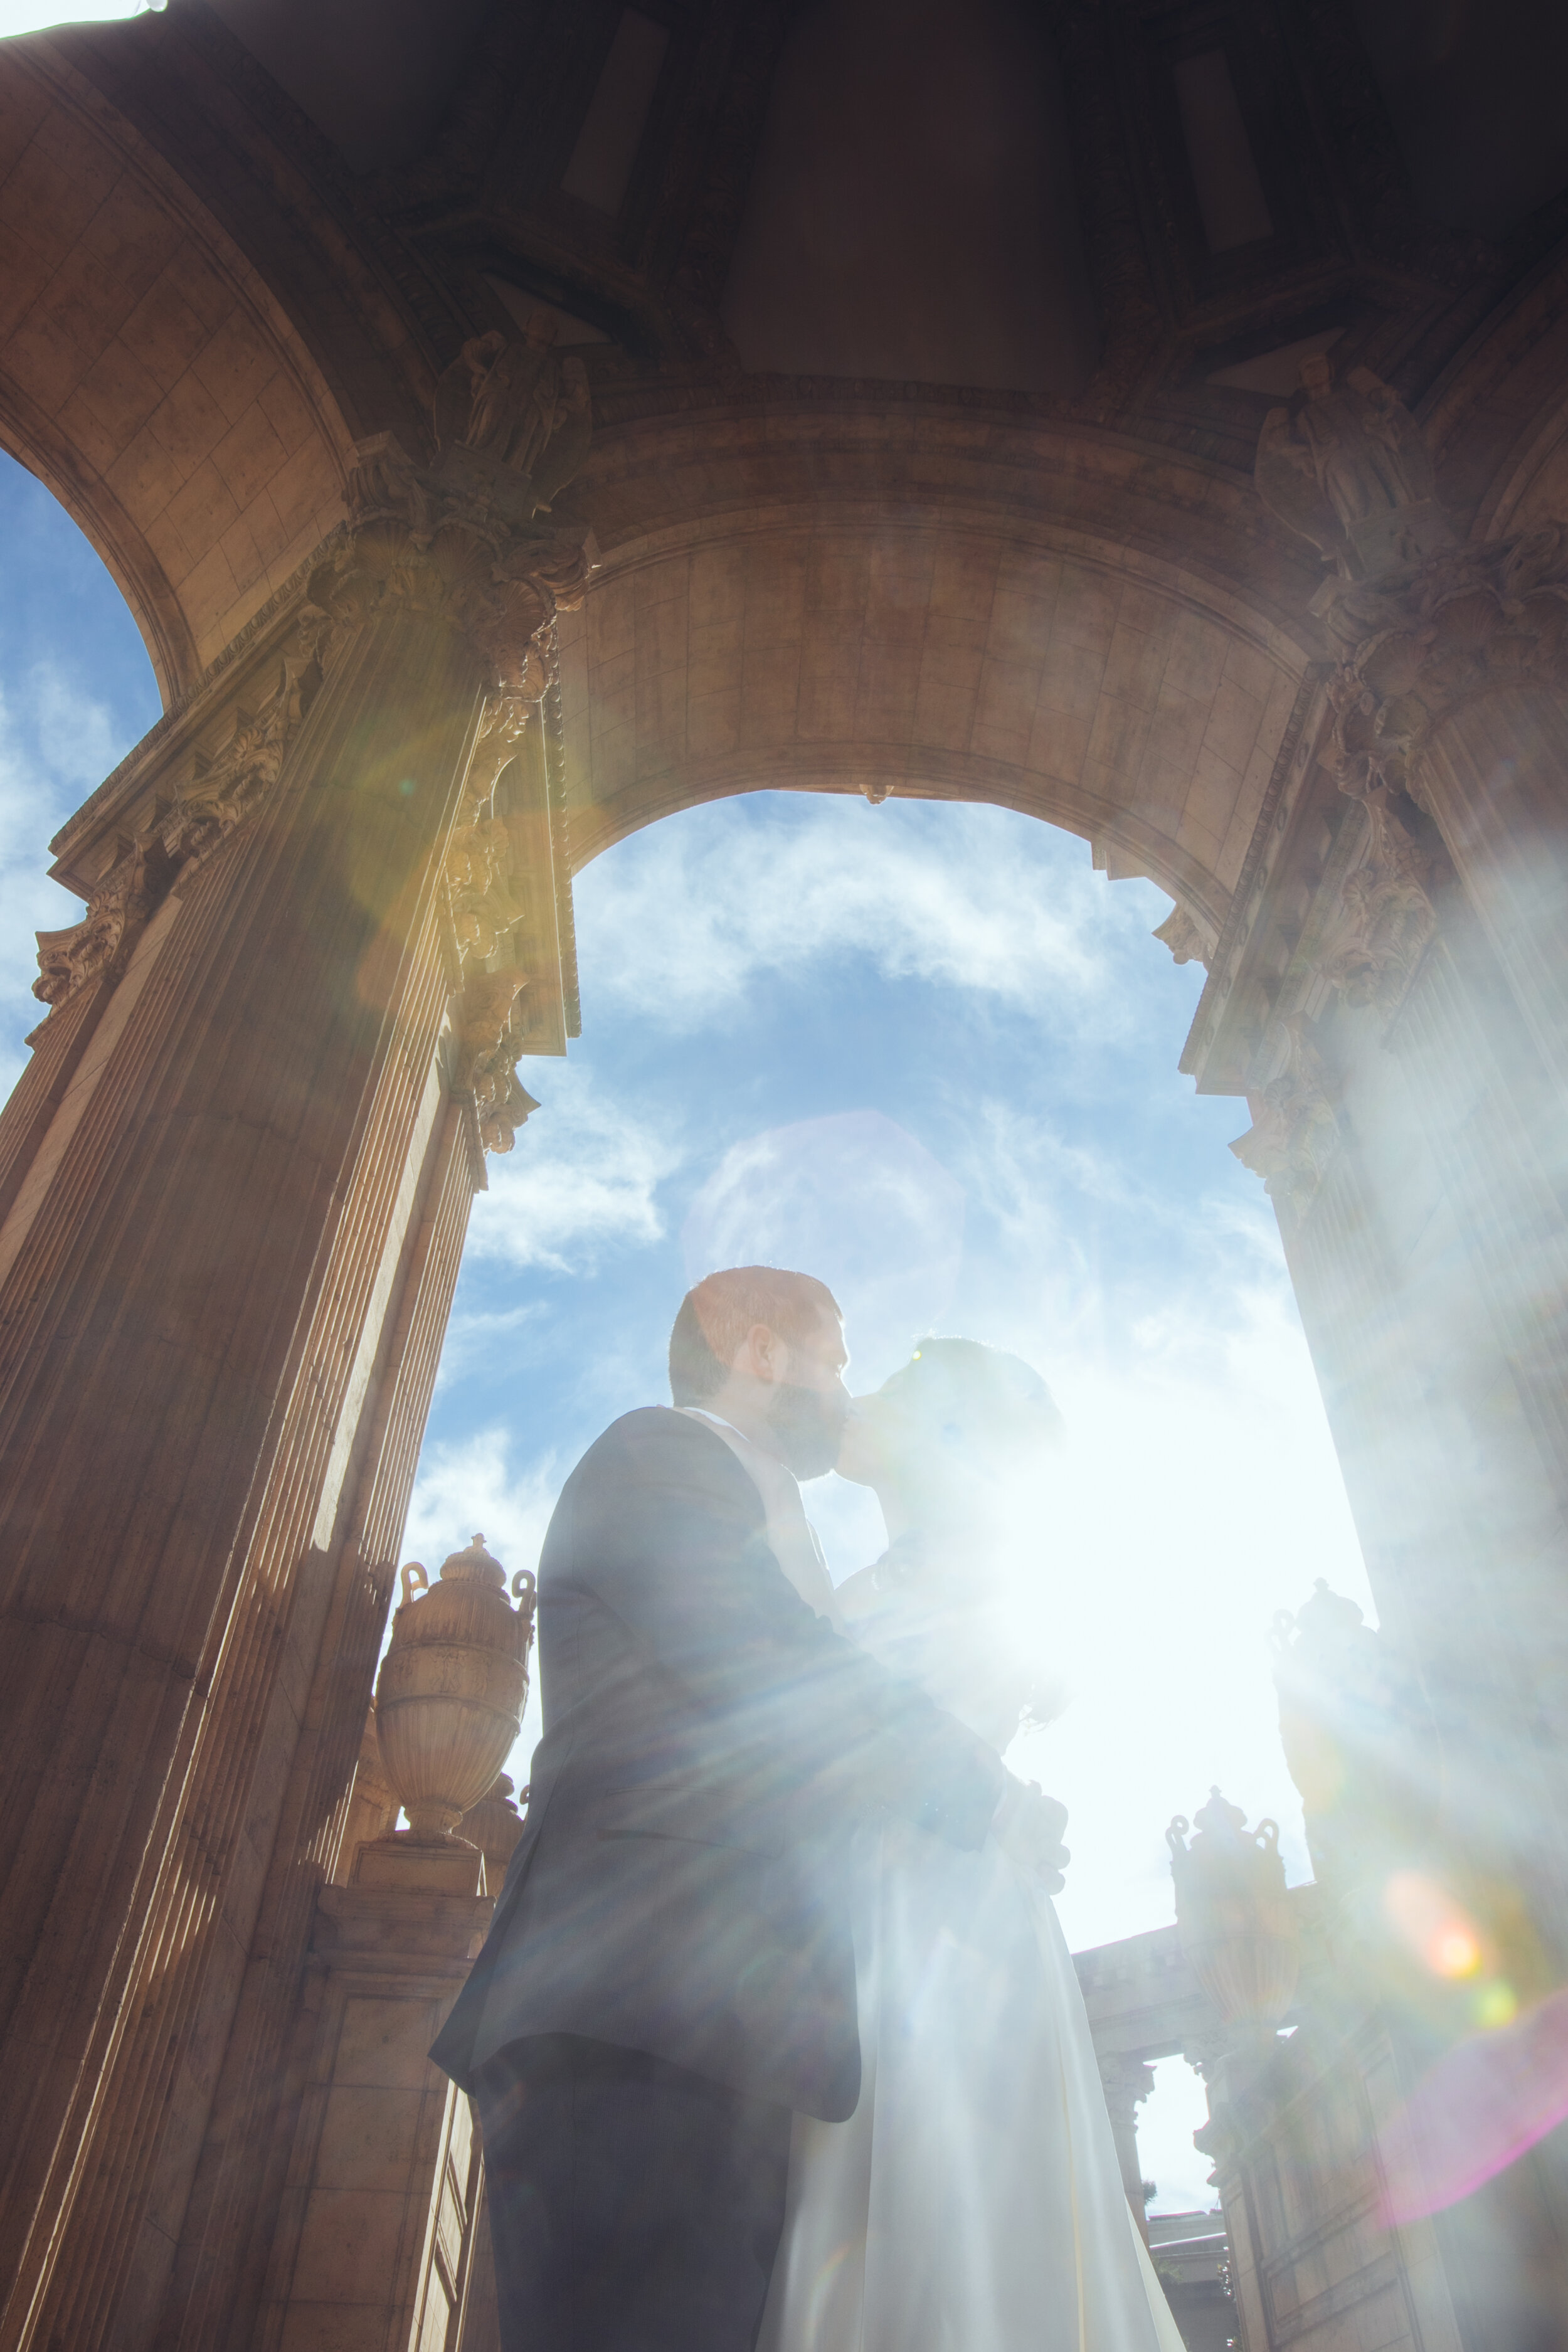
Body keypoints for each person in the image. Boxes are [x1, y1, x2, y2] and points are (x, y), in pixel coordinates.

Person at [430, 1269, 1071, 2352]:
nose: (847, 1385)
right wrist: (985, 1792)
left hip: (742, 2028)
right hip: (634, 2005)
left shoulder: (785, 1517)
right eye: (838, 1356)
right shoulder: (657, 1453)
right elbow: (762, 1657)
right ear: (763, 1353)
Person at [760, 1337, 1186, 2352]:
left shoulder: (968, 1583)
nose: (861, 1392)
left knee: (957, 2212)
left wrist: (999, 1800)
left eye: (899, 1387)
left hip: (935, 1913)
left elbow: (872, 1731)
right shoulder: (901, 1573)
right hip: (892, 1901)